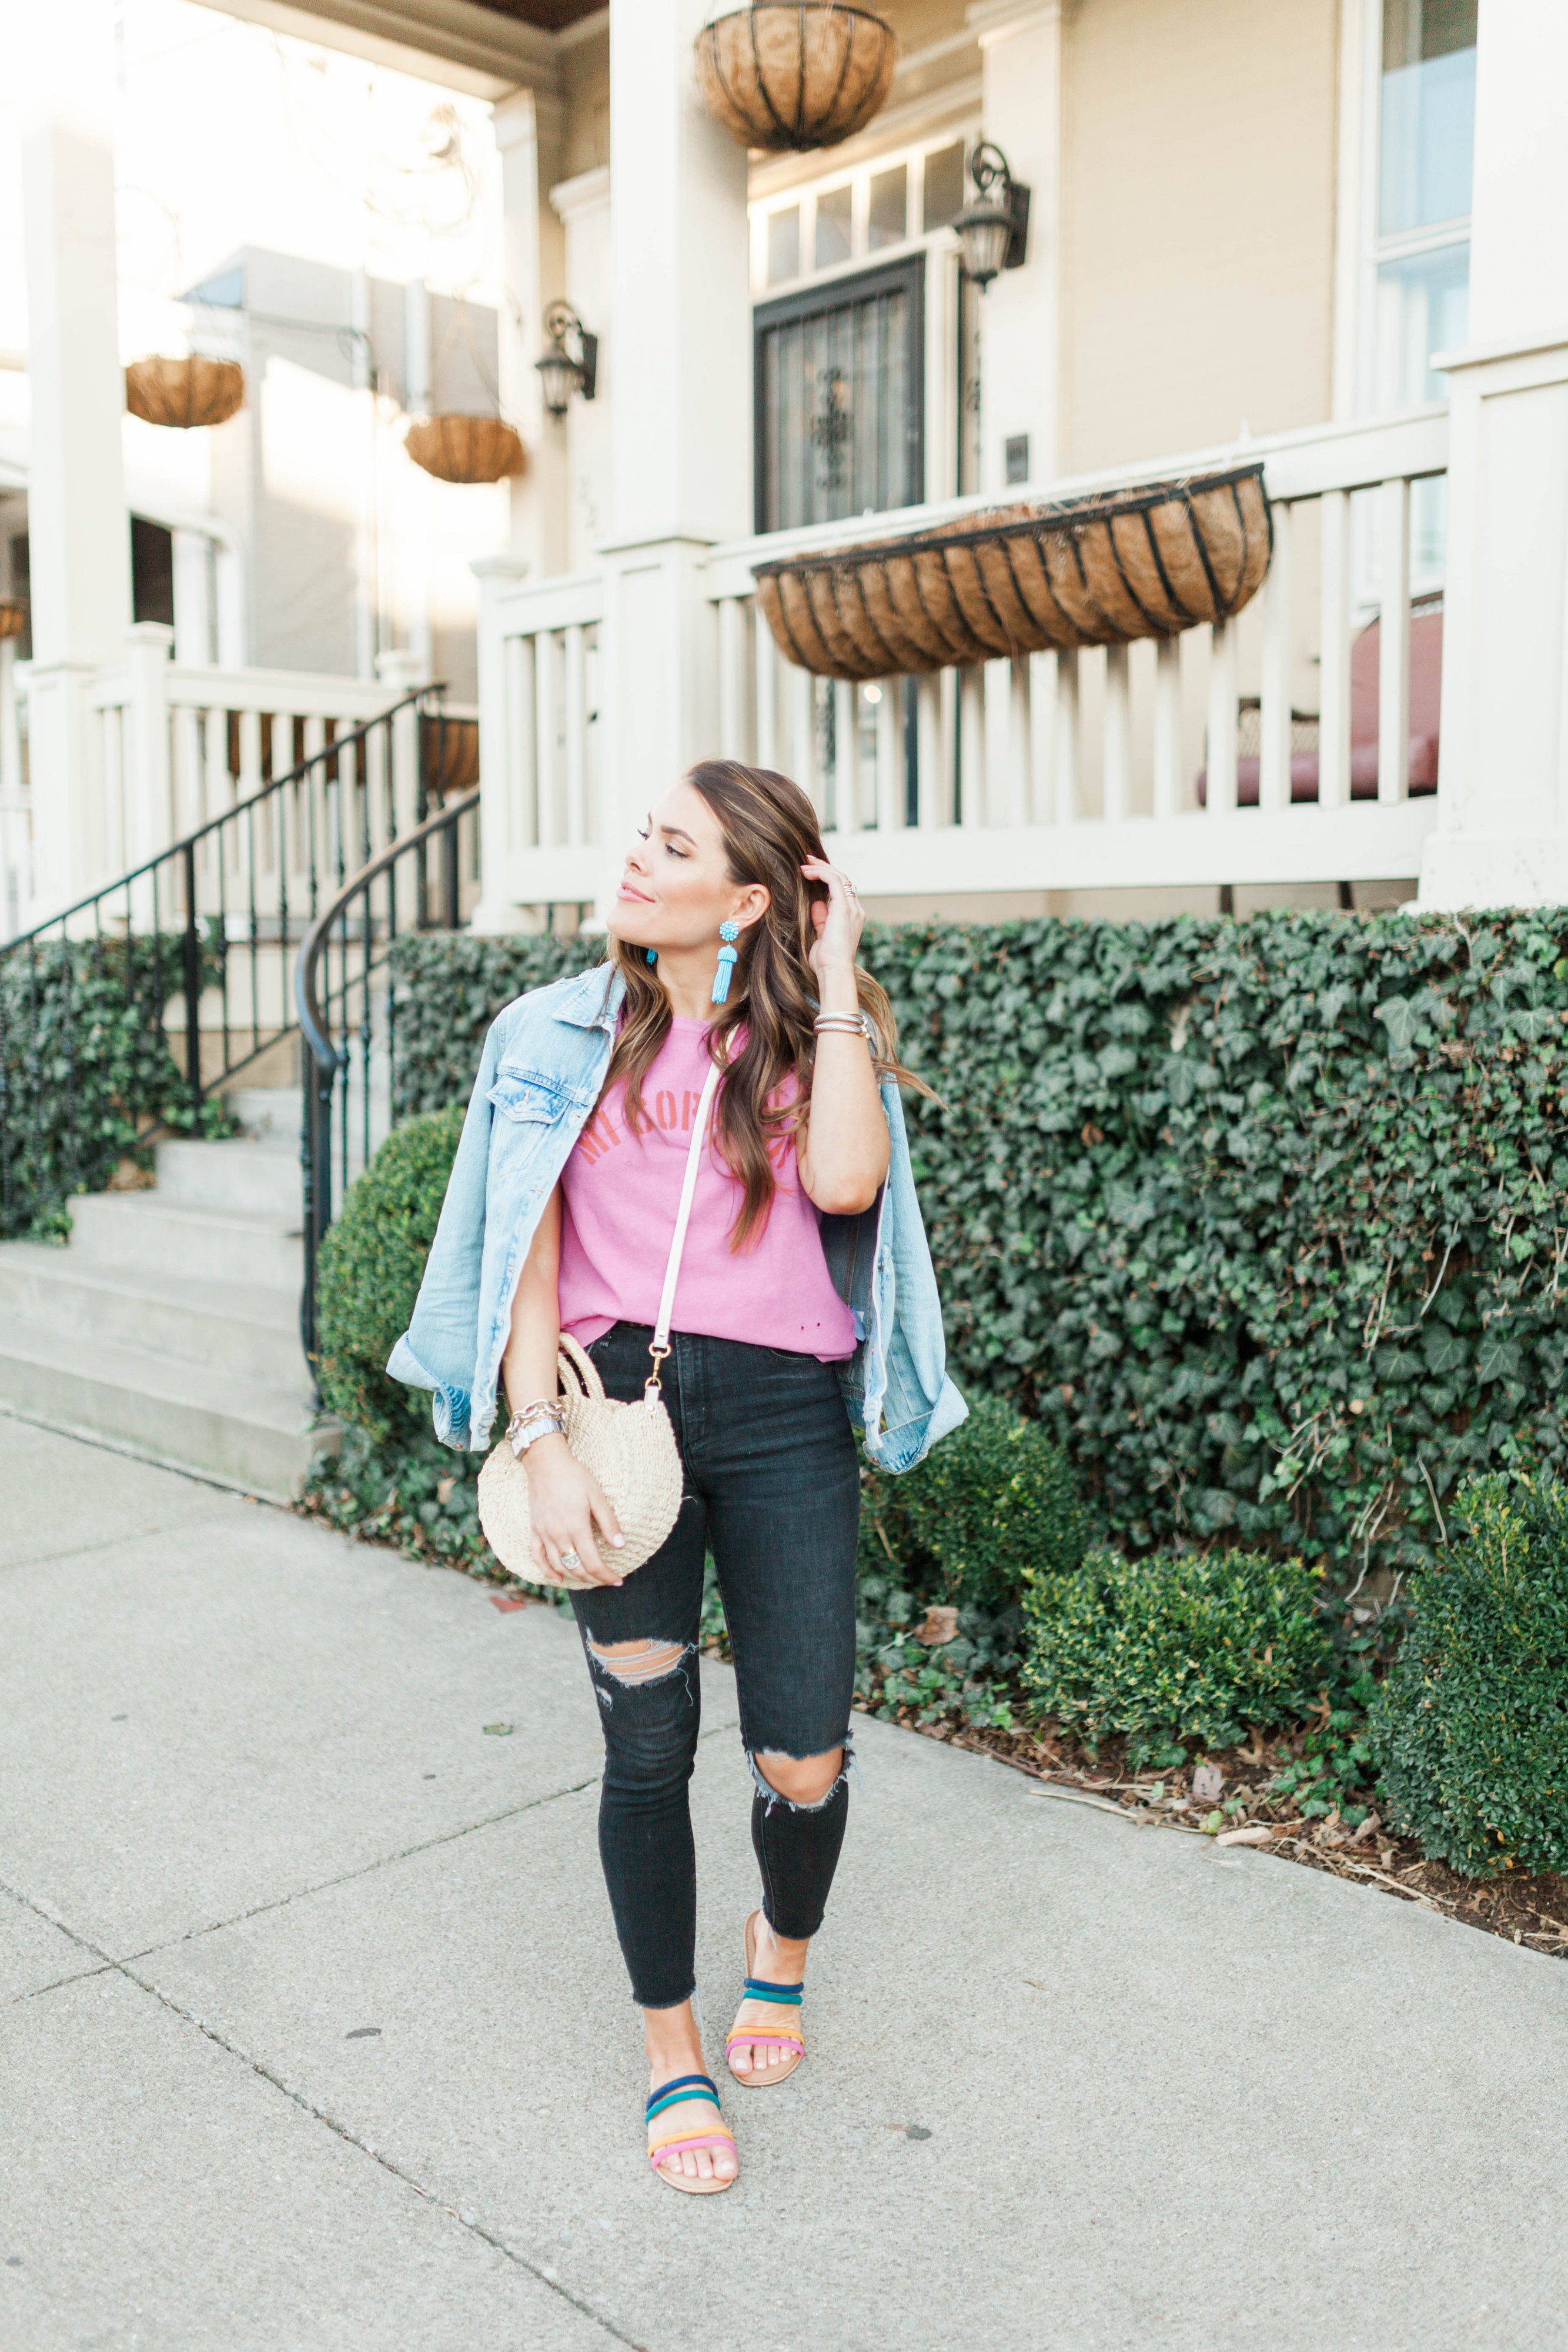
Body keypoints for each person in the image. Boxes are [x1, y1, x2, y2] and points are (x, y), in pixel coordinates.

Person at [390, 760, 965, 2194]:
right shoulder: (548, 1031)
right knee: (645, 1748)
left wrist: (835, 974)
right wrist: (532, 1434)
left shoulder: (809, 1037)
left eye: (671, 845)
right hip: (608, 1415)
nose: (634, 861)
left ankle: (782, 1943)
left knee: (804, 1753)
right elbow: (520, 1239)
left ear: (750, 895)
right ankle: (670, 2046)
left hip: (782, 1414)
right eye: (637, 834)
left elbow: (843, 1186)